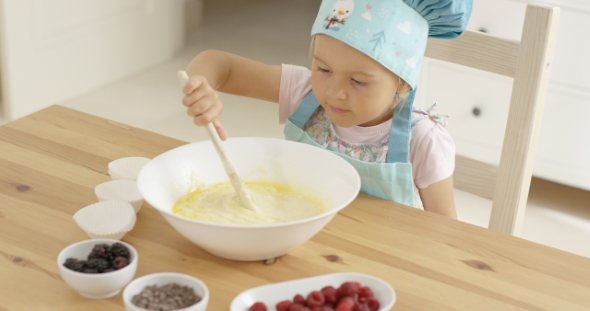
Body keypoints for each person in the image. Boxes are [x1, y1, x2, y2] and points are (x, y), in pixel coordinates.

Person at [180, 0, 473, 219]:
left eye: (358, 81)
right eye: (323, 68)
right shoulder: (305, 92)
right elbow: (221, 64)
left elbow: (443, 234)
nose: (334, 92)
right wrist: (201, 86)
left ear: (402, 84)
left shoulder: (422, 140)